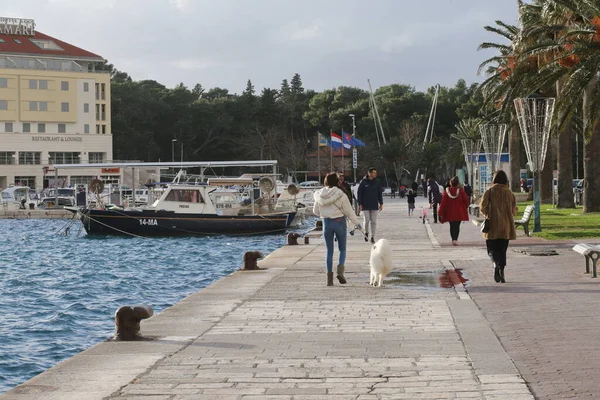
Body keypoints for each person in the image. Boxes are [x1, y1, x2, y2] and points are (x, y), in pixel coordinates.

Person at [314, 172, 361, 286]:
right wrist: (357, 223)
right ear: (337, 181)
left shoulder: (319, 194)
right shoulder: (341, 194)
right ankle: (340, 272)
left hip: (326, 223)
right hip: (339, 222)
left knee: (329, 251)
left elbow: (315, 211)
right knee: (342, 249)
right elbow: (349, 211)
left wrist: (325, 212)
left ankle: (329, 279)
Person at [480, 170, 517, 284]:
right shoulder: (509, 193)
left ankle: (495, 264)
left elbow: (482, 207)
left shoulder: (490, 191)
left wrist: (488, 214)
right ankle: (502, 273)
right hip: (506, 226)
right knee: (502, 250)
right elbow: (514, 210)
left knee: (492, 249)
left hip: (492, 226)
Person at [438, 176, 470, 246]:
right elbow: (466, 200)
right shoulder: (461, 191)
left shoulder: (446, 192)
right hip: (459, 212)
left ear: (450, 183)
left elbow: (442, 203)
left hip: (450, 212)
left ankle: (453, 239)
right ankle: (455, 239)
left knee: (452, 226)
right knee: (457, 226)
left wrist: (440, 212)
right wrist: (465, 207)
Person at [357, 167, 383, 243]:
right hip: (365, 205)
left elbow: (379, 193)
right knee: (367, 220)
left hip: (374, 205)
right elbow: (359, 194)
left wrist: (381, 203)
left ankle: (373, 237)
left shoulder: (377, 182)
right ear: (369, 173)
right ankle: (366, 232)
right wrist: (360, 204)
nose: (375, 174)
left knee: (374, 221)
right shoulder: (363, 182)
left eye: (376, 173)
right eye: (374, 173)